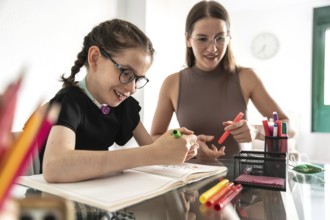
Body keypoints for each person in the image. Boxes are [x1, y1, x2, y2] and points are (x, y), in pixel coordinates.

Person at [38, 19, 198, 183]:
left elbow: (152, 149)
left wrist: (174, 147)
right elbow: (54, 167)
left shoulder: (124, 105)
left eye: (137, 79)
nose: (132, 88)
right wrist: (153, 153)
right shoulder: (68, 102)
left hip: (99, 198)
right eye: (127, 73)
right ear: (95, 58)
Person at [150, 1, 295, 160]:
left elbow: (289, 127)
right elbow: (155, 137)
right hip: (190, 177)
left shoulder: (246, 77)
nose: (212, 48)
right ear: (188, 39)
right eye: (202, 39)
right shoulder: (172, 83)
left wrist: (257, 131)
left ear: (228, 37)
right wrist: (185, 142)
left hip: (237, 180)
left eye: (219, 38)